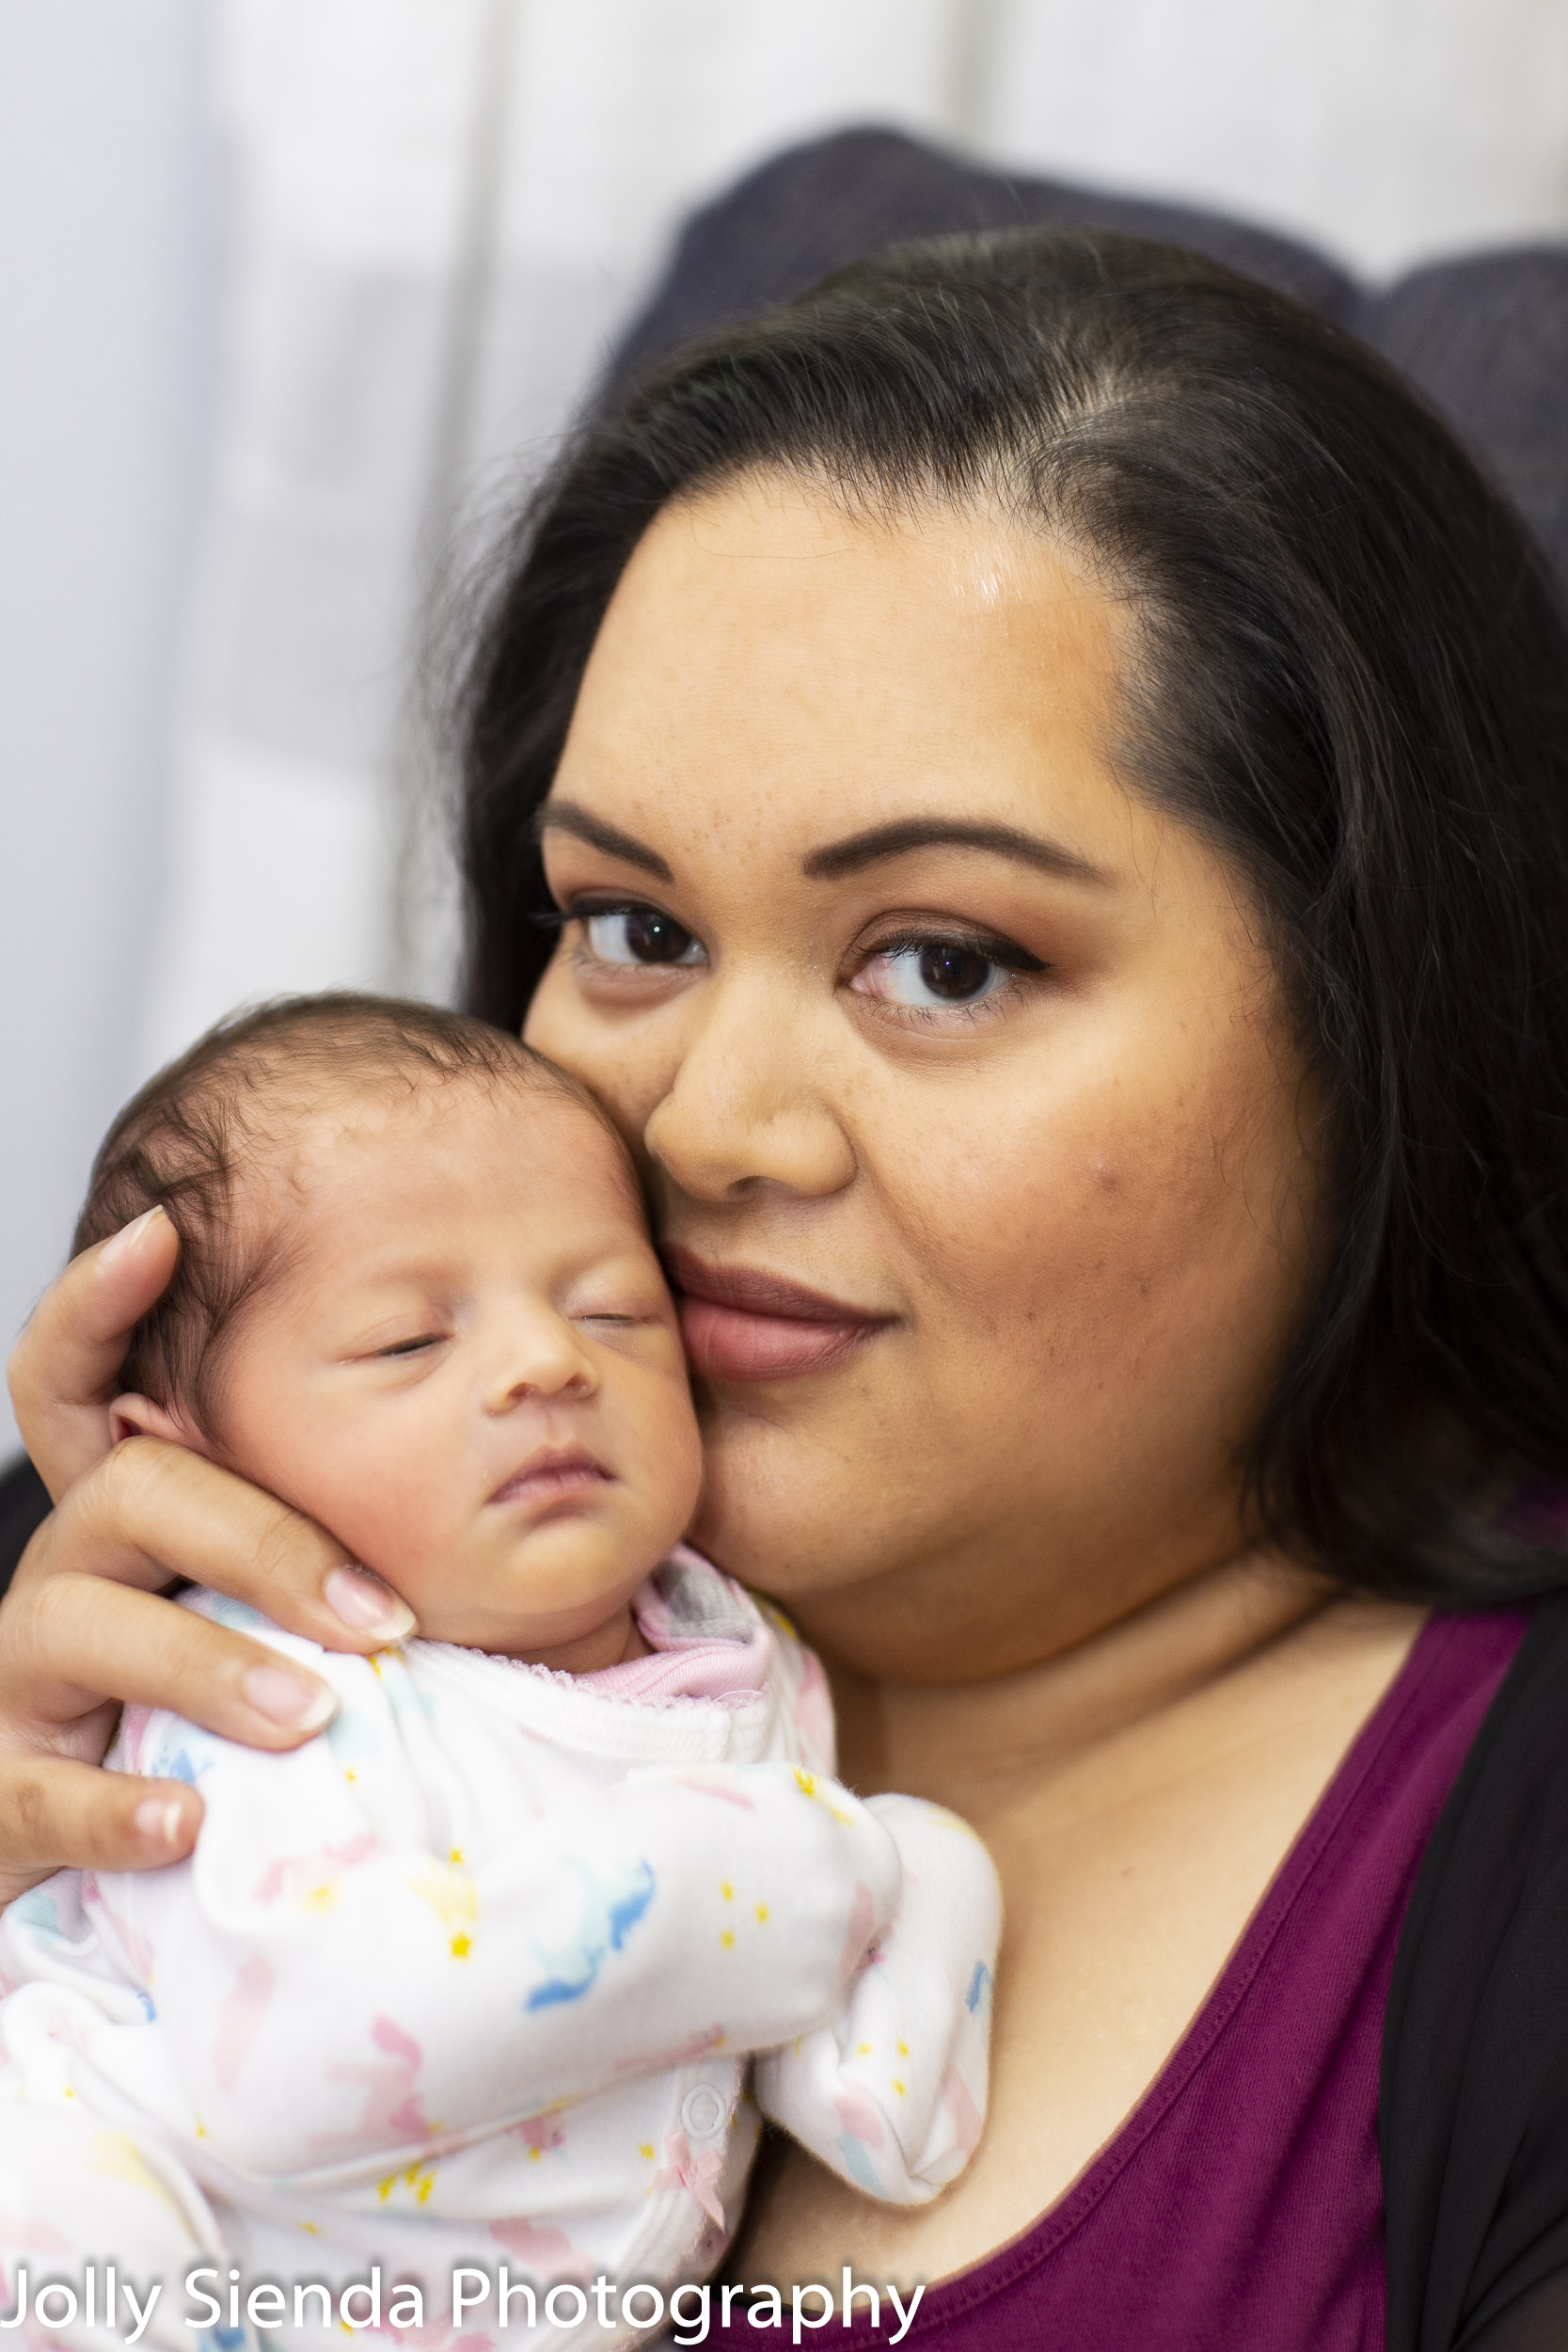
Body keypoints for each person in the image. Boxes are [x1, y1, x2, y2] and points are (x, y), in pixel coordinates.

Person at [5, 226, 1568, 2349]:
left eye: (945, 959)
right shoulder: (141, 1626)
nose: (710, 1126)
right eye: (630, 928)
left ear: (1377, 1017)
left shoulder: (1508, 1898)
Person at [0, 993, 997, 2347]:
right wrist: (727, 1891)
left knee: (917, 1854)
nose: (547, 1363)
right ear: (177, 1466)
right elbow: (294, 2072)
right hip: (175, 2253)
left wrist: (871, 1886)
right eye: (409, 1341)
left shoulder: (736, 1670)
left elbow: (797, 1891)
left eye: (615, 1311)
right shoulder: (260, 1696)